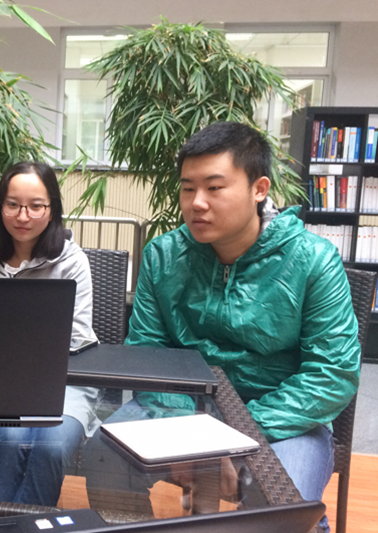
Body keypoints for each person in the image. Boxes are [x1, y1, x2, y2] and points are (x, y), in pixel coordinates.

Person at [90, 121, 359, 530]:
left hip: (283, 419)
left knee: (285, 508)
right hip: (179, 409)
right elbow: (147, 355)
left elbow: (332, 373)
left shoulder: (312, 259)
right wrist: (190, 429)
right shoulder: (164, 255)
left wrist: (233, 434)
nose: (197, 203)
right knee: (103, 454)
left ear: (259, 189)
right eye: (187, 188)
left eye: (214, 188)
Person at [0, 162, 100, 506]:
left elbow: (76, 336)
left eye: (36, 206)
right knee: (11, 441)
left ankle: (6, 525)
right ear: (0, 207)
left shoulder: (72, 262)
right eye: (13, 205)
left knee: (51, 446)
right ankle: (2, 525)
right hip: (0, 383)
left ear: (52, 209)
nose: (23, 216)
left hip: (67, 378)